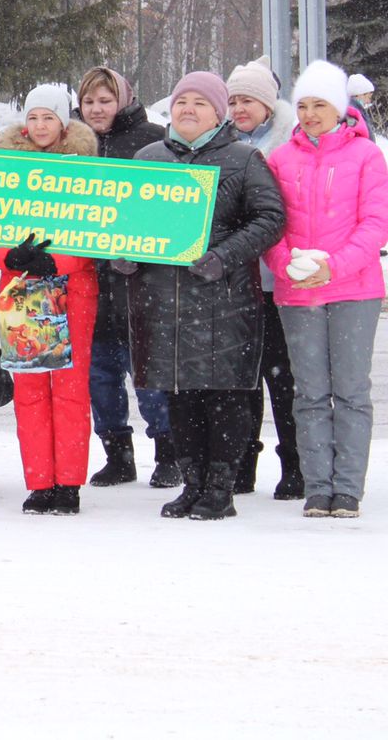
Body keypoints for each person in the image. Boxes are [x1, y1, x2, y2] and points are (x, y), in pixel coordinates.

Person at [119, 72, 285, 520]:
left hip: (223, 300)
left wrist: (223, 256)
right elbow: (125, 221)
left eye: (200, 102)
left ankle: (220, 488)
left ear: (219, 112)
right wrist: (123, 255)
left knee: (223, 394)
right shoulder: (148, 158)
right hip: (162, 301)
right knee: (181, 395)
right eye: (181, 101)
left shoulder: (243, 159)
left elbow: (270, 219)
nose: (188, 109)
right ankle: (192, 483)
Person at [264, 61, 388, 518]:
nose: (311, 113)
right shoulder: (280, 159)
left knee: (352, 391)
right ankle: (318, 486)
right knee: (309, 391)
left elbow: (376, 224)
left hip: (354, 290)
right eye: (303, 105)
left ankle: (348, 488)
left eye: (320, 104)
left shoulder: (366, 156)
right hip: (297, 293)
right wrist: (286, 266)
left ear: (340, 108)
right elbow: (271, 226)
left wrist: (333, 267)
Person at [0, 86, 99, 515]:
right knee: (31, 389)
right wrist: (7, 256)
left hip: (72, 289)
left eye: (47, 118)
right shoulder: (9, 166)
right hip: (23, 289)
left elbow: (99, 226)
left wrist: (60, 260)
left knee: (69, 389)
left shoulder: (84, 168)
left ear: (63, 123)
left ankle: (68, 482)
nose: (39, 127)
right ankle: (40, 481)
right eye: (32, 118)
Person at [76, 66, 176, 488]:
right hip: (89, 279)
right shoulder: (73, 142)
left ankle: (168, 452)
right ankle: (117, 453)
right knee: (100, 374)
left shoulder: (153, 139)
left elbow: (169, 206)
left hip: (141, 281)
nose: (97, 110)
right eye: (89, 102)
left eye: (105, 100)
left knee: (149, 373)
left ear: (123, 99)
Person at [224, 56, 302, 499]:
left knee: (282, 378)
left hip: (278, 280)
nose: (239, 108)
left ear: (268, 104)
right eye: (233, 100)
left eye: (248, 100)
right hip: (236, 281)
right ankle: (242, 462)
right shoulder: (224, 144)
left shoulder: (285, 145)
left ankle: (293, 462)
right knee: (242, 377)